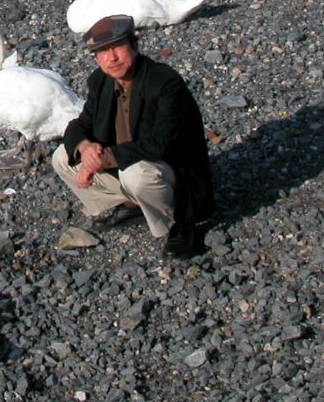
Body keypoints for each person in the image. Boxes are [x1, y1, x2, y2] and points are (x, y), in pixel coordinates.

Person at [52, 14, 215, 258]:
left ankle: (179, 223)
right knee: (62, 156)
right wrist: (86, 148)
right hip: (128, 163)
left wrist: (102, 158)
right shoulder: (100, 81)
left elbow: (161, 144)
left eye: (117, 46)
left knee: (136, 175)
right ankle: (133, 205)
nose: (112, 57)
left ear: (134, 45)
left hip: (177, 175)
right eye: (103, 51)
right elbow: (80, 124)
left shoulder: (164, 83)